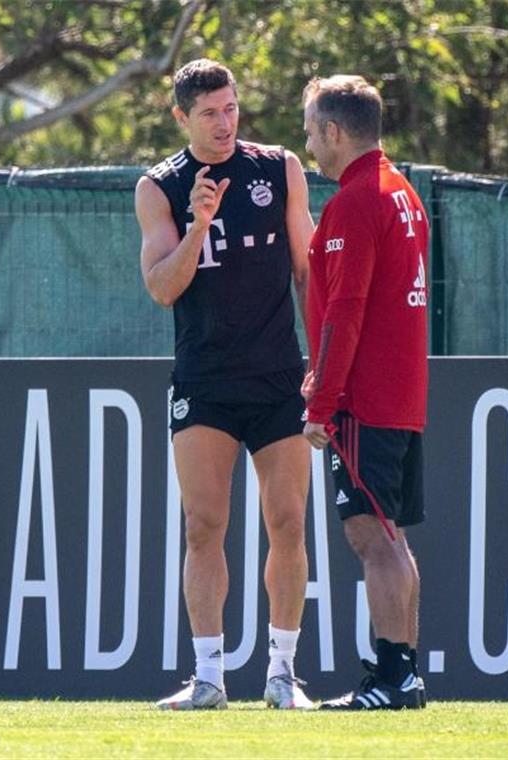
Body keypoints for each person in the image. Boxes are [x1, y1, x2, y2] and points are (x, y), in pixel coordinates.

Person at [136, 59, 316, 710]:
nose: (225, 122)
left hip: (277, 377)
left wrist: (320, 358)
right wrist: (199, 224)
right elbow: (161, 288)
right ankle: (209, 677)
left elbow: (308, 270)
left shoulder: (279, 168)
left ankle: (282, 674)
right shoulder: (160, 188)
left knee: (289, 521)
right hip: (206, 379)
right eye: (209, 112)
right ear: (181, 116)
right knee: (203, 526)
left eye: (232, 108)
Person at [299, 75, 429, 710]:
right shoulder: (404, 193)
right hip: (400, 395)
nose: (308, 144)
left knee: (370, 539)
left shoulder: (355, 202)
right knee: (392, 537)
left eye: (311, 130)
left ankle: (390, 677)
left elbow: (344, 312)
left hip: (364, 399)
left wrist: (322, 401)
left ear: (334, 131)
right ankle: (404, 673)